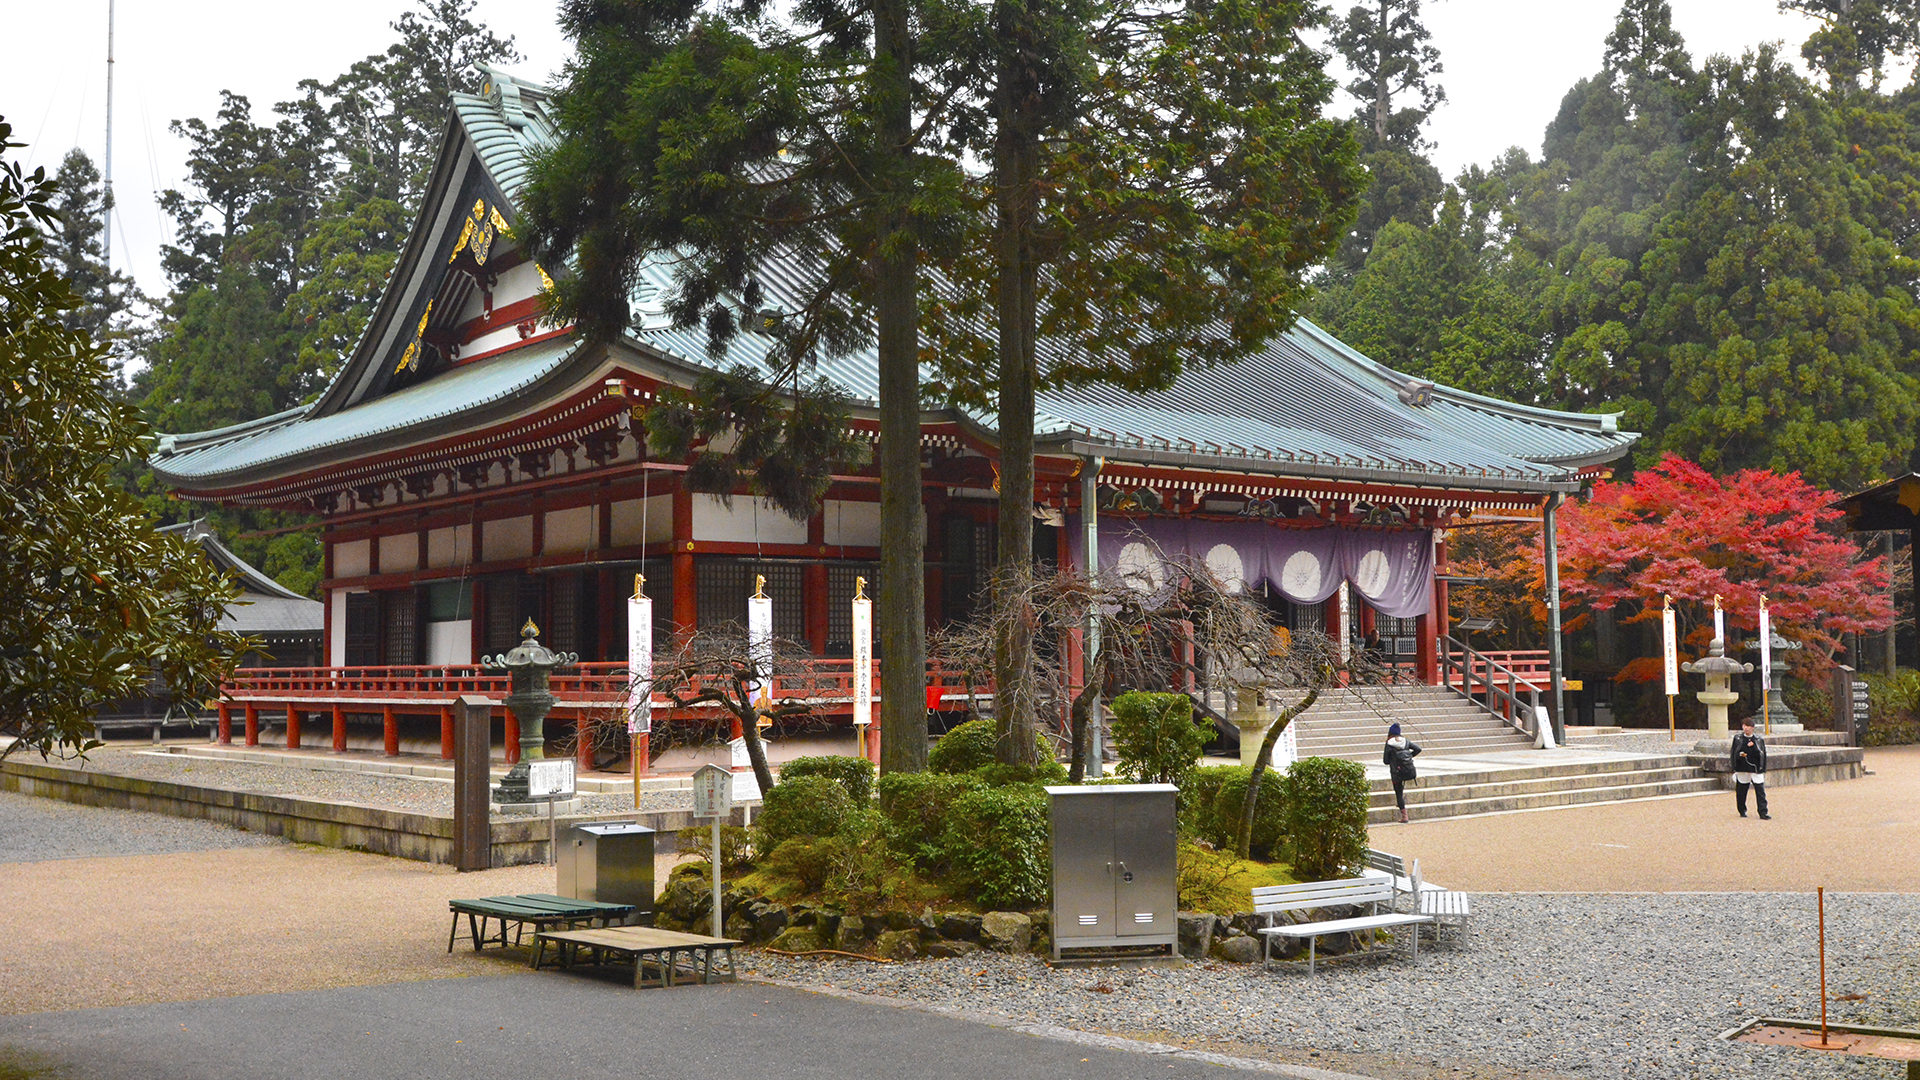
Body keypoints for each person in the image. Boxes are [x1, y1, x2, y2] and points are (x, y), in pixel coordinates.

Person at [1731, 718, 1770, 819]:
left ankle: (1763, 812)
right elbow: (1734, 753)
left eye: (1748, 726)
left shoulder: (1758, 739)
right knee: (1741, 790)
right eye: (1744, 726)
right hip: (1742, 767)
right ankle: (1742, 810)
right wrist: (1736, 763)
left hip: (1756, 767)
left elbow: (1762, 754)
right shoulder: (1738, 738)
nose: (1746, 728)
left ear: (1752, 727)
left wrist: (1763, 767)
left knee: (1760, 790)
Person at [1383, 722, 1421, 824]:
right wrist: (1408, 756)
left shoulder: (1389, 743)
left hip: (1396, 772)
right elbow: (1418, 749)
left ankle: (1404, 816)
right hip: (1406, 769)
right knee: (1401, 790)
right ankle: (1401, 804)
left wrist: (1394, 759)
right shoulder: (1406, 741)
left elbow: (1386, 761)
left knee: (1398, 793)